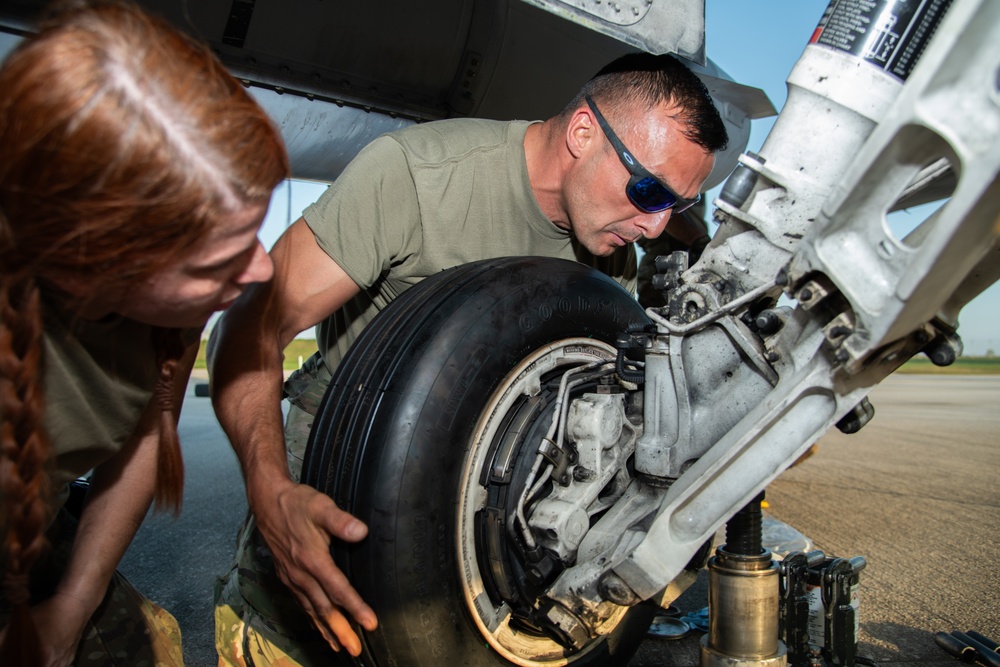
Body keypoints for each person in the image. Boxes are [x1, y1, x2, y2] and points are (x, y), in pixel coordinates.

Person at [209, 51, 728, 664]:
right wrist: (270, 493)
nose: (654, 224)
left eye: (677, 206)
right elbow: (247, 327)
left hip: (498, 485)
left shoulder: (610, 240)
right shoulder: (417, 176)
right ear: (584, 131)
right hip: (355, 445)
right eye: (649, 191)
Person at [0, 1, 289, 665]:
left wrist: (72, 608)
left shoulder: (172, 310)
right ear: (92, 262)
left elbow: (139, 438)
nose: (263, 268)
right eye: (217, 262)